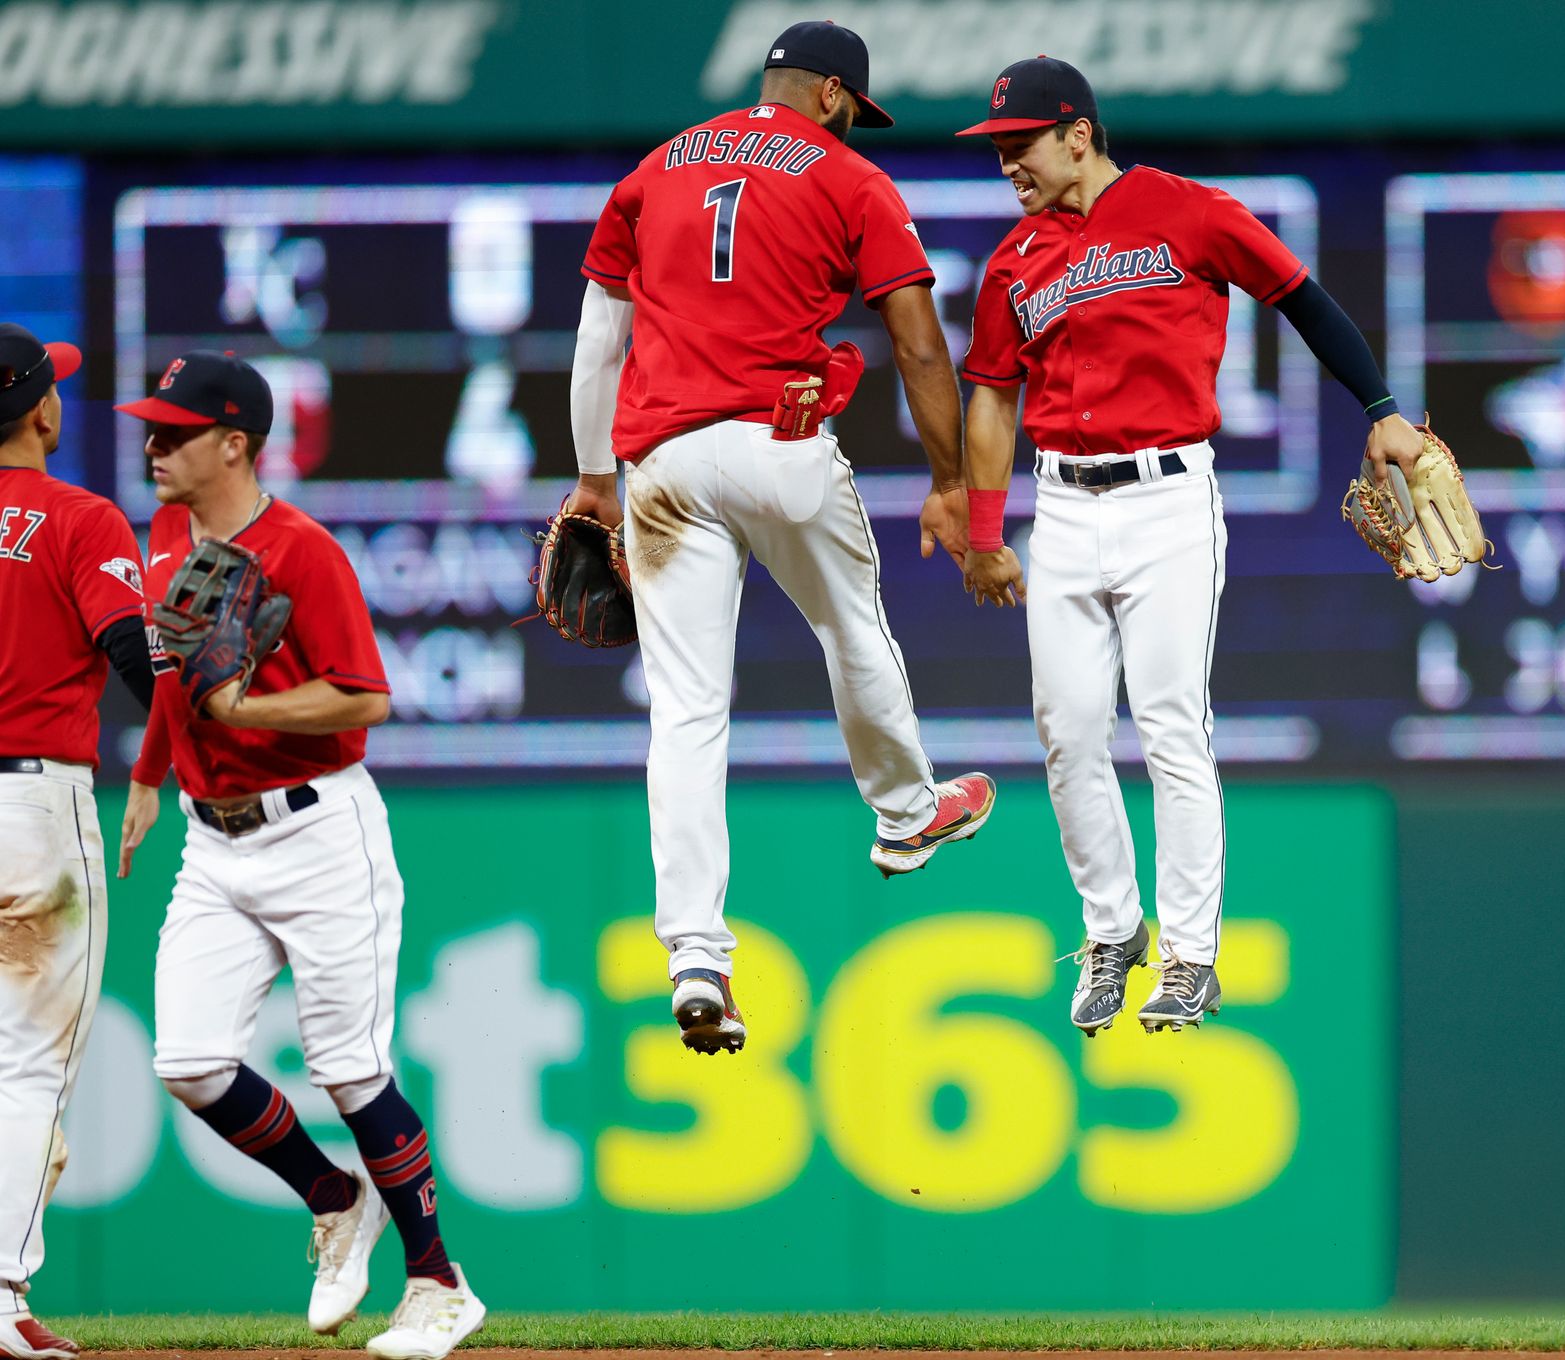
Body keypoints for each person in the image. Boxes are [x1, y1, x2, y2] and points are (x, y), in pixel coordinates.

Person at [954, 58, 1426, 1034]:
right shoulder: (1012, 265)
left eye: (1021, 143)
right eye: (999, 148)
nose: (1008, 163)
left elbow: (1303, 298)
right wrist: (989, 529)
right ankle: (1112, 930)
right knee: (1069, 730)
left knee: (1171, 724)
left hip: (1168, 498)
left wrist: (1380, 408)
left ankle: (1192, 956)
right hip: (1065, 509)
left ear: (1078, 133)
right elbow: (994, 400)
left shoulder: (1189, 211)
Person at [565, 19, 995, 1055]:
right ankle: (903, 812)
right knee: (852, 627)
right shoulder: (849, 177)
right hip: (780, 440)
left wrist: (590, 479)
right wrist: (950, 480)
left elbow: (598, 335)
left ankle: (694, 955)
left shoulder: (657, 167)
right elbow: (918, 344)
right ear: (837, 97)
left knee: (686, 711)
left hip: (662, 464)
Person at [115, 352, 483, 1359]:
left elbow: (364, 696)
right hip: (209, 834)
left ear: (234, 443)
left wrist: (252, 707)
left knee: (351, 1069)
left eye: (174, 431)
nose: (153, 445)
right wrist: (149, 774)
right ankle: (332, 1196)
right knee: (188, 1060)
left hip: (319, 829)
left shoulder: (304, 550)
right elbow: (176, 681)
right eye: (153, 427)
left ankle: (440, 1285)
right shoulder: (161, 533)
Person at [0, 326, 151, 1360]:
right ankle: (0, 1292)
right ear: (42, 411)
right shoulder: (78, 517)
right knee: (27, 1064)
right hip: (32, 813)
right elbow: (141, 658)